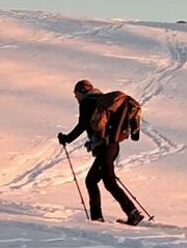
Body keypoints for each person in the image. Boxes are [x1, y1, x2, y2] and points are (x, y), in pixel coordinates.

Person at [58, 80, 144, 225]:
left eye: (76, 94)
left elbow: (82, 124)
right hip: (112, 146)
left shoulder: (87, 102)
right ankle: (129, 213)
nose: (75, 97)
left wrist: (67, 138)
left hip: (105, 148)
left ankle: (101, 217)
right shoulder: (102, 101)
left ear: (81, 92)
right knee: (101, 181)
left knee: (99, 181)